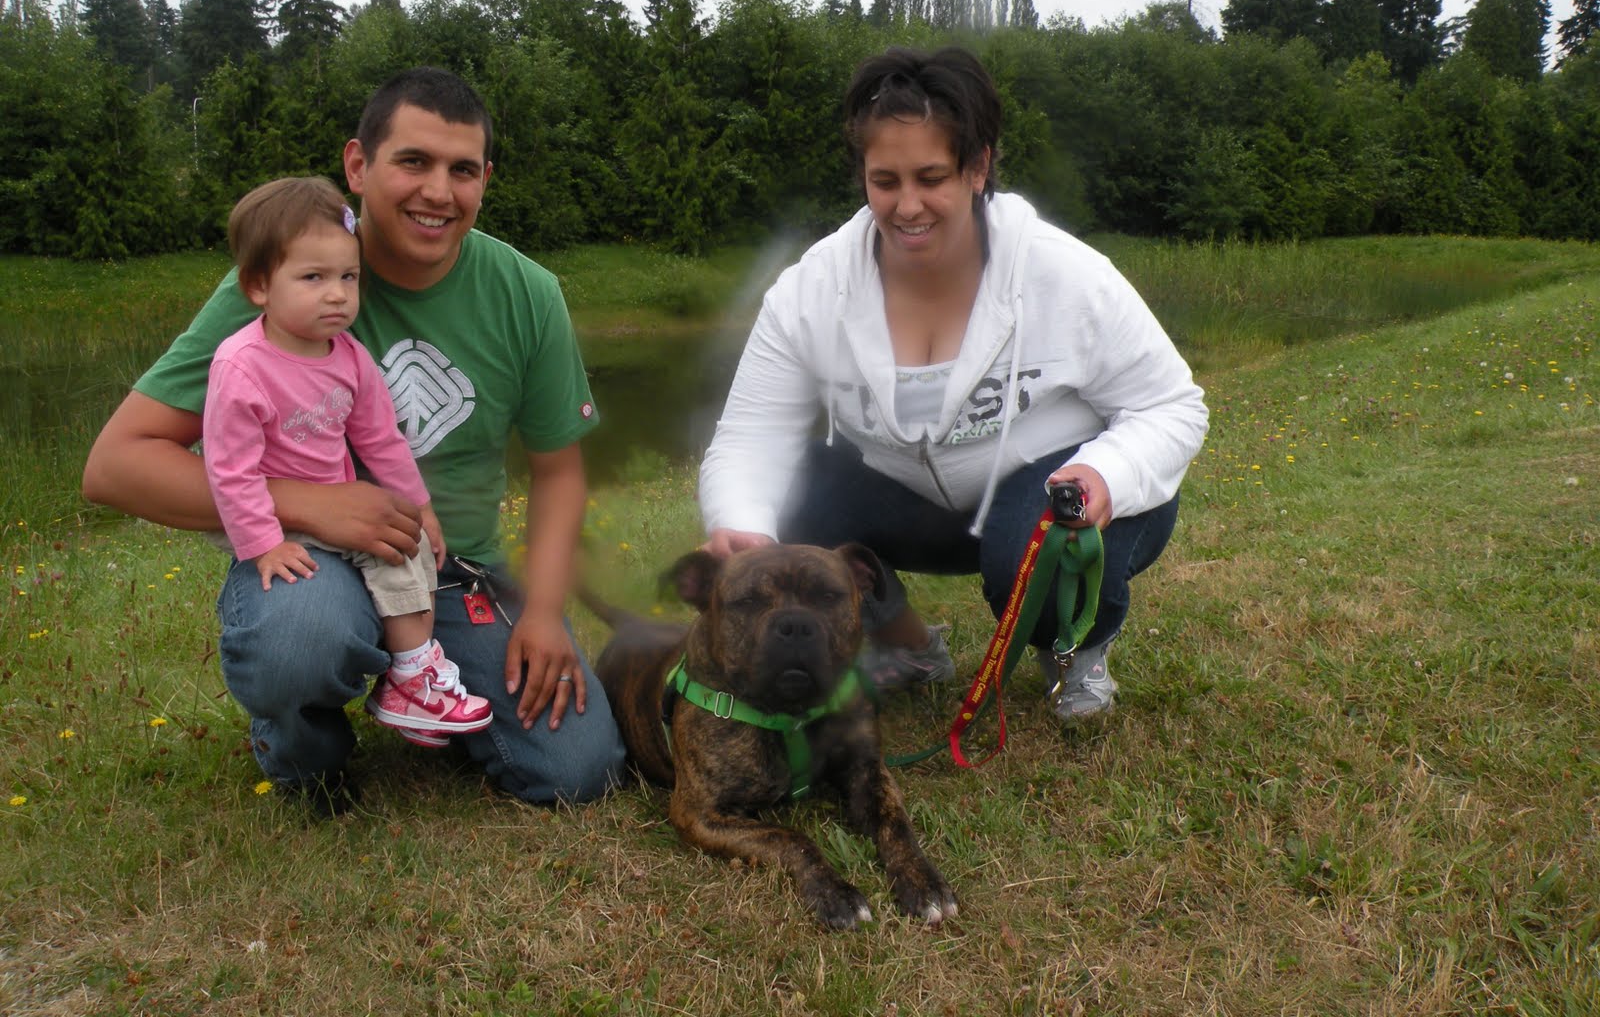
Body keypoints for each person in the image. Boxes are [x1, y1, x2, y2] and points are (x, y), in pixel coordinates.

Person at [83, 67, 624, 813]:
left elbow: (560, 472)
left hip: (457, 572)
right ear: (358, 166)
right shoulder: (285, 284)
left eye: (462, 170)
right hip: (317, 560)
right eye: (414, 162)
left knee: (577, 770)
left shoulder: (528, 292)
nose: (439, 191)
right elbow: (115, 465)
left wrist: (540, 610)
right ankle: (305, 750)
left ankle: (437, 690)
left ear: (486, 180)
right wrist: (311, 505)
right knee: (302, 635)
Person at [698, 46, 1209, 724]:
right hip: (911, 507)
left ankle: (1075, 652)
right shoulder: (809, 290)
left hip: (1048, 498)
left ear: (978, 167)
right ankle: (907, 645)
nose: (907, 207)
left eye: (931, 177)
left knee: (1033, 535)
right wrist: (741, 521)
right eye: (885, 181)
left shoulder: (1066, 275)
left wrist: (1103, 474)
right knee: (791, 487)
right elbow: (751, 435)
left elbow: (1172, 406)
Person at [203, 176, 492, 749]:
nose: (337, 294)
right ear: (259, 286)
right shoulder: (241, 366)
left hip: (341, 511)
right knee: (345, 590)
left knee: (405, 541)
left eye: (348, 277)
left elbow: (383, 442)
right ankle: (374, 695)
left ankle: (410, 677)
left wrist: (422, 508)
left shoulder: (350, 358)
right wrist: (263, 543)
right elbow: (229, 470)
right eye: (313, 278)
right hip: (275, 524)